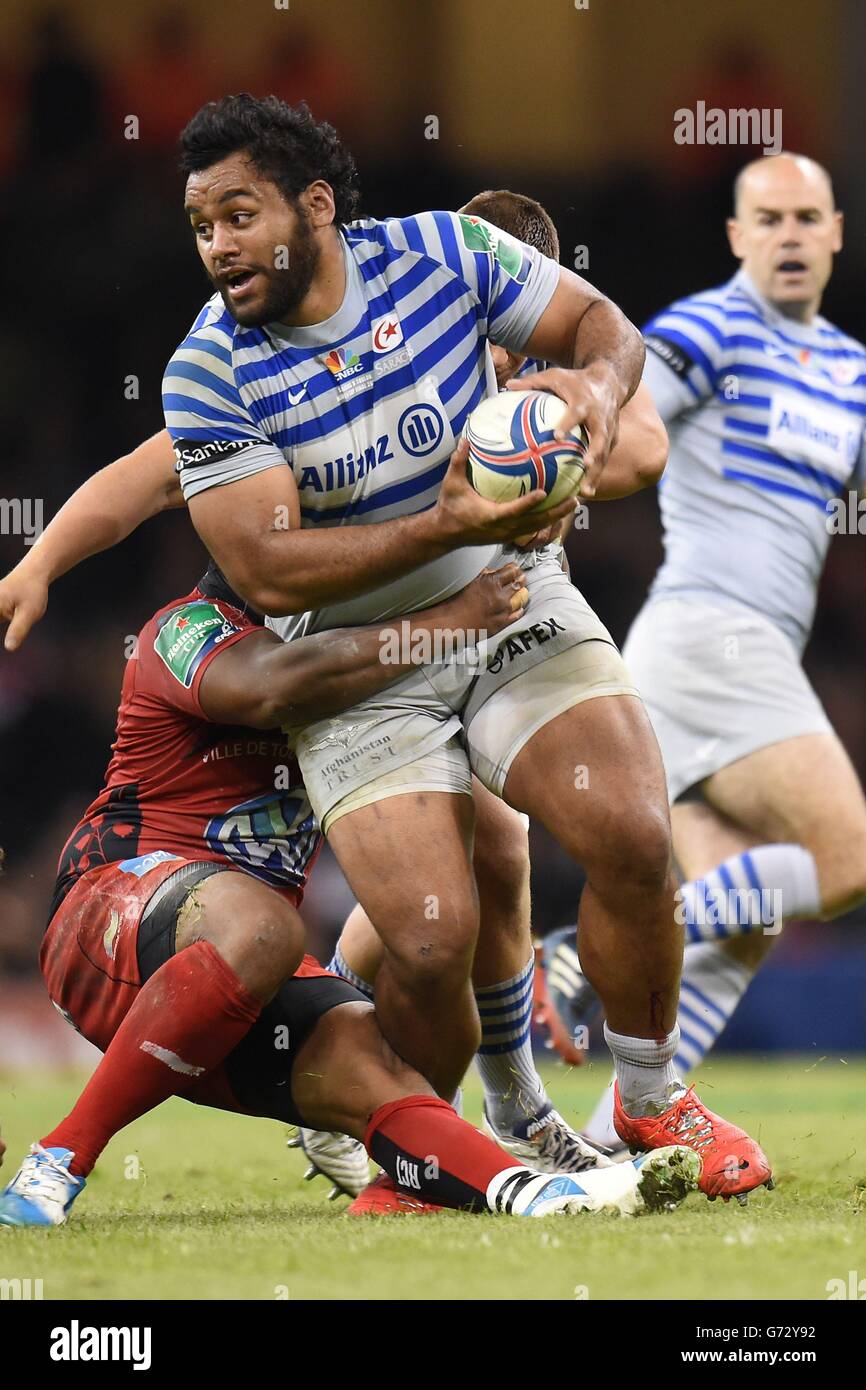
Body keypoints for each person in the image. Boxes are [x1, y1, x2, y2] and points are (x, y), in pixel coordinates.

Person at [153, 94, 769, 1198]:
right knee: (434, 939)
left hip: (505, 601)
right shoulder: (208, 370)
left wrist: (589, 393)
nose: (218, 247)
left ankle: (643, 1097)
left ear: (317, 205)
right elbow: (267, 571)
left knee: (630, 831)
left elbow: (604, 331)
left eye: (238, 216)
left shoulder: (447, 251)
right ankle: (419, 1157)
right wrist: (447, 521)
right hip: (358, 663)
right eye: (203, 228)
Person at [0, 185, 667, 1178]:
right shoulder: (276, 353)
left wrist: (555, 467)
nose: (498, 355)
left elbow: (644, 445)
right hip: (333, 640)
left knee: (495, 857)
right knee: (449, 886)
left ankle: (515, 1107)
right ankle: (472, 1110)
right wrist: (40, 561)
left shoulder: (544, 364)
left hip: (469, 627)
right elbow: (152, 470)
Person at [0, 558, 701, 1226]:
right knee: (270, 929)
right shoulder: (188, 628)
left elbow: (439, 872)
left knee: (395, 1072)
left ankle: (529, 1188)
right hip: (110, 907)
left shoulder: (362, 657)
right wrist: (455, 618)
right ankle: (59, 1158)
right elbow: (273, 685)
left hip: (226, 980)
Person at [542, 154, 866, 1158]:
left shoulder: (851, 367)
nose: (787, 234)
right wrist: (557, 445)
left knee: (734, 926)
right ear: (734, 236)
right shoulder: (705, 329)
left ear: (835, 231)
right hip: (708, 635)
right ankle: (568, 955)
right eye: (764, 217)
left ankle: (609, 1137)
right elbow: (624, 419)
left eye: (805, 216)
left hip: (722, 655)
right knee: (845, 861)